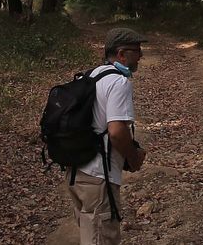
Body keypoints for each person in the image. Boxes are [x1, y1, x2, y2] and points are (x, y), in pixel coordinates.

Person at [68, 27, 148, 245]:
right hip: (99, 177)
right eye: (137, 50)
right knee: (101, 239)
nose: (141, 55)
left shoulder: (92, 75)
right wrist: (133, 157)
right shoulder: (118, 82)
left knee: (90, 235)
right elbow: (116, 132)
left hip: (78, 172)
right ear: (121, 54)